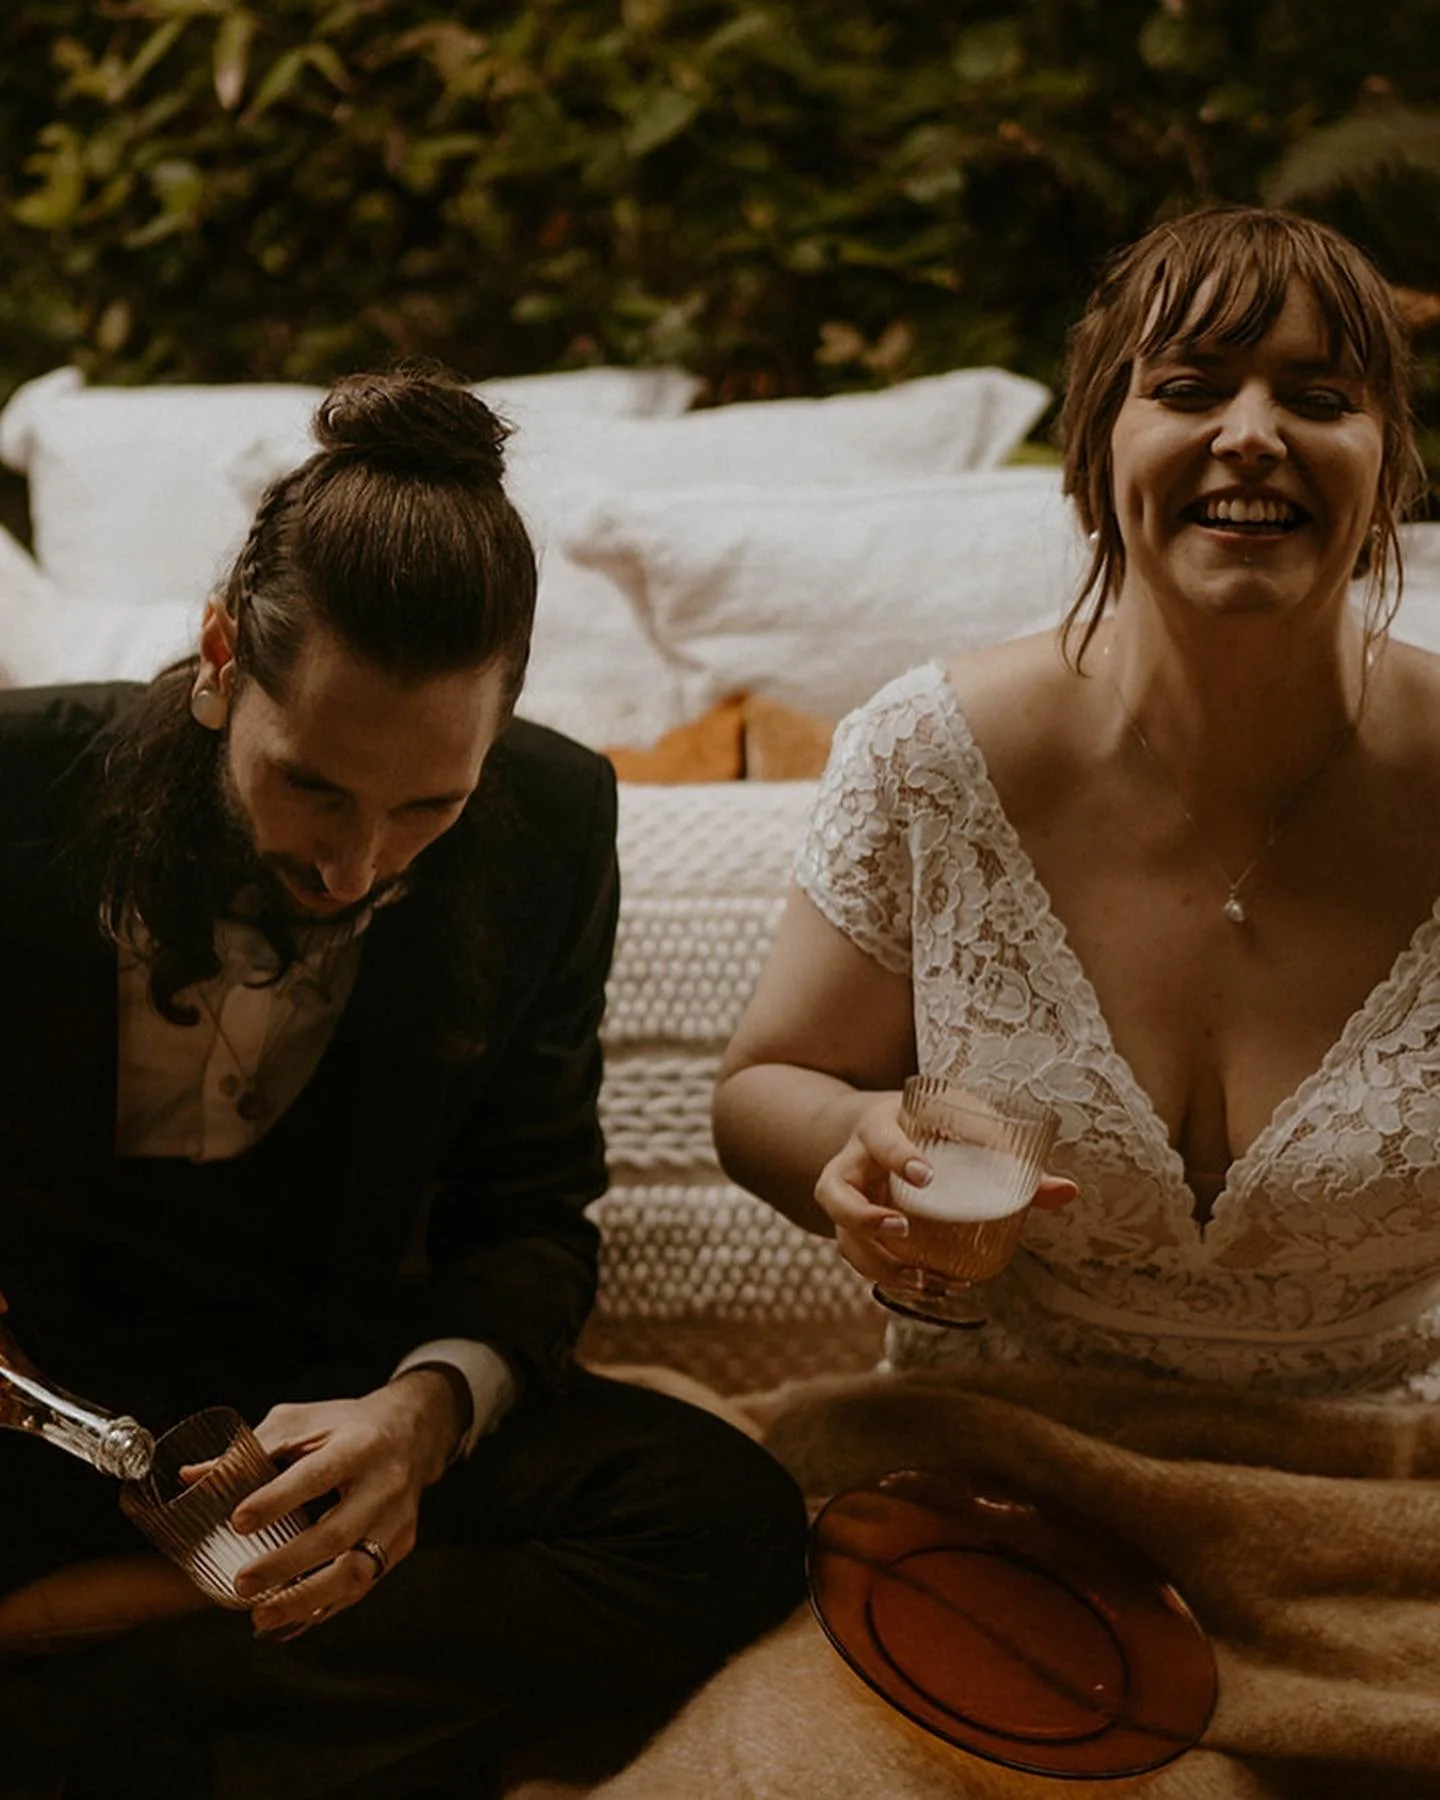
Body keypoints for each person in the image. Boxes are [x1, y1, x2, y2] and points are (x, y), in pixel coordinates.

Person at [0, 367, 807, 1799]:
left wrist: (421, 1420)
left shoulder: (558, 818)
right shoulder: (12, 785)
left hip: (326, 1404)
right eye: (311, 784)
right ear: (215, 662)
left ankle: (116, 1669)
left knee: (726, 1520)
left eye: (429, 805)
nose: (355, 869)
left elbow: (532, 1214)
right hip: (31, 1420)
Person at [713, 205, 1440, 1400]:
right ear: (1096, 449)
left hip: (1397, 1488)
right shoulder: (931, 754)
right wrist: (851, 1145)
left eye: (1318, 399)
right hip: (999, 1477)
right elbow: (759, 1091)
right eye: (1192, 387)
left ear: (1388, 462)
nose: (1252, 436)